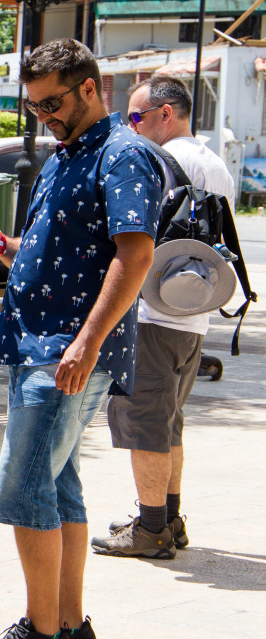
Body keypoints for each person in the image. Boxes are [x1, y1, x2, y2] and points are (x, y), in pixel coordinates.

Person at [0, 39, 161, 639]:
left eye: (51, 103)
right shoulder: (65, 156)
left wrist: (87, 341)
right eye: (34, 106)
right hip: (40, 344)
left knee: (23, 487)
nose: (43, 115)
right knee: (57, 485)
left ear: (90, 88)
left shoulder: (123, 154)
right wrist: (1, 247)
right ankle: (69, 627)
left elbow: (136, 255)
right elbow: (54, 253)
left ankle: (41, 633)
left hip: (67, 351)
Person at [92, 75, 237, 559]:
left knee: (145, 425)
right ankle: (169, 518)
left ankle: (151, 529)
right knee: (169, 423)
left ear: (166, 114)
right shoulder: (215, 164)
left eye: (136, 117)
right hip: (193, 318)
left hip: (153, 314)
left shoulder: (155, 160)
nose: (131, 127)